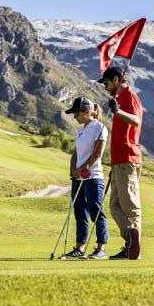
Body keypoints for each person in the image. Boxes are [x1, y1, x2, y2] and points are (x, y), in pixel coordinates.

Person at [97, 66, 143, 260]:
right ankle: (130, 240)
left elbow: (135, 121)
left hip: (128, 157)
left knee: (130, 205)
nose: (105, 87)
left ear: (116, 80)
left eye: (107, 83)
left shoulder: (129, 96)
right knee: (114, 205)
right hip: (119, 161)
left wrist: (117, 111)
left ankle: (134, 249)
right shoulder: (119, 99)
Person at [61, 96, 109, 259]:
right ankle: (79, 248)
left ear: (87, 112)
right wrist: (73, 170)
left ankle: (101, 248)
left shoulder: (100, 128)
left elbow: (97, 155)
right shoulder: (81, 130)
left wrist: (81, 169)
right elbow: (75, 153)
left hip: (93, 177)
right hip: (78, 177)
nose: (75, 117)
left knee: (96, 211)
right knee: (79, 211)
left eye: (77, 113)